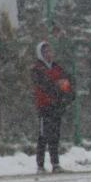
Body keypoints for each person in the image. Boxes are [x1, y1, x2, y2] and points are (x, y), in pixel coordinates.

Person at [31, 41, 75, 174]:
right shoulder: (37, 69)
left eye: (50, 51)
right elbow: (44, 85)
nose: (49, 54)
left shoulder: (56, 67)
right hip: (44, 106)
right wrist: (58, 88)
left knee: (55, 135)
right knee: (43, 135)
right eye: (46, 52)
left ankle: (55, 164)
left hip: (56, 105)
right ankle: (40, 165)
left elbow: (69, 80)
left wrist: (67, 92)